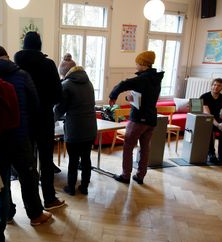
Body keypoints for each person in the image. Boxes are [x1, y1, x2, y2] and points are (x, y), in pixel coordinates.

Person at [0, 48, 52, 242]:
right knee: (6, 185)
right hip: (11, 141)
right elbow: (16, 116)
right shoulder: (8, 87)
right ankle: (0, 228)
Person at [14, 31, 65, 210]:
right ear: (39, 45)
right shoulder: (48, 64)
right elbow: (58, 94)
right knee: (45, 159)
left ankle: (32, 204)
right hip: (44, 118)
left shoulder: (16, 65)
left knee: (28, 162)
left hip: (23, 120)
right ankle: (49, 198)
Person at [108, 51, 164, 185]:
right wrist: (128, 98)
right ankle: (140, 176)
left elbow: (123, 84)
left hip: (139, 119)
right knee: (145, 148)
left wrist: (113, 96)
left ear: (143, 64)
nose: (136, 65)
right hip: (151, 119)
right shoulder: (156, 78)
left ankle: (126, 175)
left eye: (137, 63)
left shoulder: (143, 78)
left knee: (128, 146)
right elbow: (145, 97)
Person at [54, 57, 97, 196]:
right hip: (90, 127)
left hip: (75, 129)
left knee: (73, 160)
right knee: (86, 158)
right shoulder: (88, 82)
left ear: (64, 73)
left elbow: (60, 109)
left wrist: (52, 119)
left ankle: (71, 187)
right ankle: (84, 187)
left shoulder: (66, 85)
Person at [200, 78, 222, 163]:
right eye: (214, 85)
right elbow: (208, 114)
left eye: (219, 86)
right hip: (205, 119)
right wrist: (218, 125)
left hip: (217, 118)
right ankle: (211, 153)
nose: (216, 87)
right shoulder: (204, 97)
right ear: (211, 86)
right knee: (209, 129)